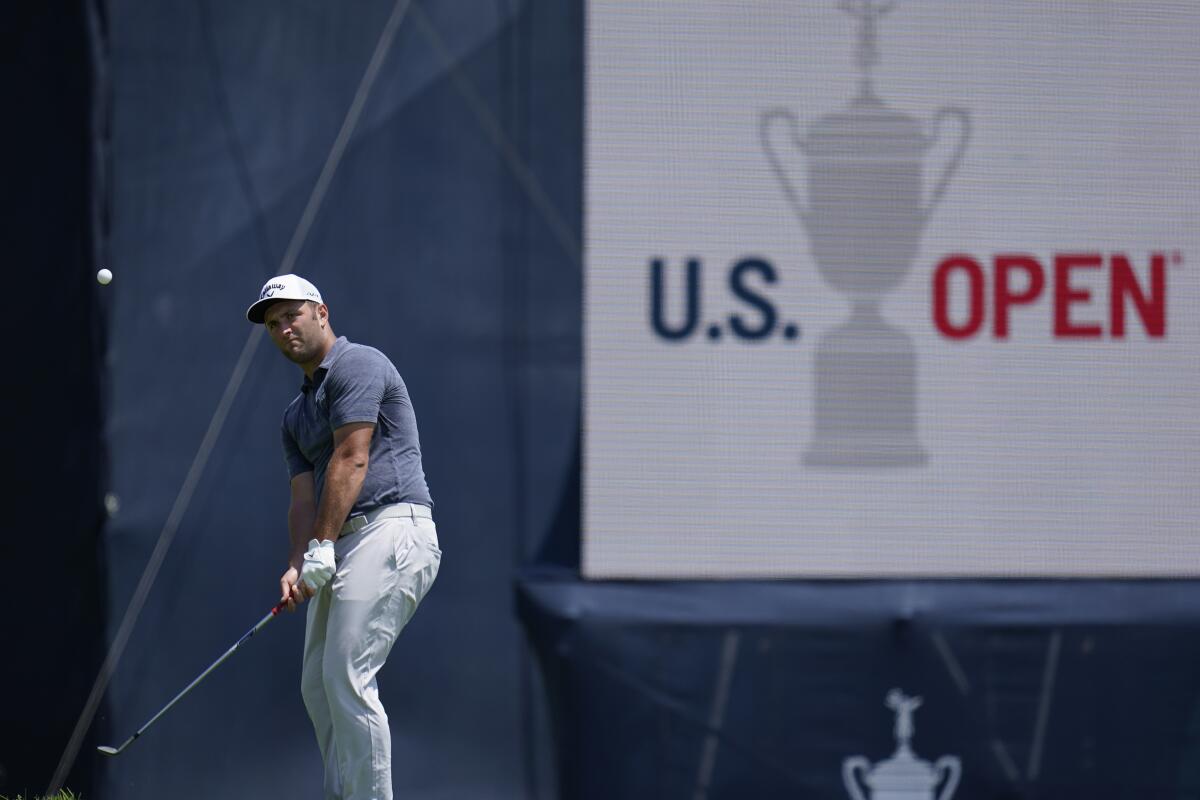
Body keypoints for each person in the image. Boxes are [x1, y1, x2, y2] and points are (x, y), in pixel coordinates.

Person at [246, 273, 441, 800]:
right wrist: (297, 560)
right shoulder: (295, 414)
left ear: (321, 312)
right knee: (318, 685)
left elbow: (352, 459)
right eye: (272, 323)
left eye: (292, 315)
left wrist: (321, 548)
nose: (284, 328)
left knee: (347, 675)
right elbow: (303, 501)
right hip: (342, 541)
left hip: (393, 528)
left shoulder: (359, 364)